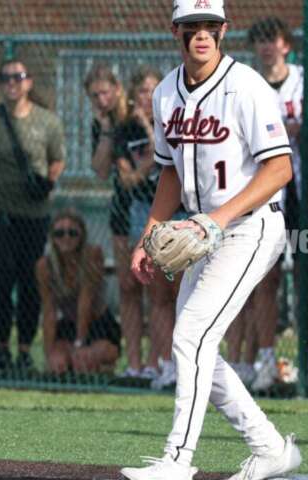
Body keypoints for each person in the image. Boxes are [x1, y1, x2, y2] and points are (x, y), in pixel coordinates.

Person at [120, 1, 300, 479]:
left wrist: (215, 220)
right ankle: (269, 447)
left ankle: (178, 461)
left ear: (223, 31)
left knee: (191, 336)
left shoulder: (246, 86)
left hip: (252, 226)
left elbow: (280, 168)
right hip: (204, 231)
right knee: (195, 345)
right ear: (175, 32)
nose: (201, 35)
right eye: (190, 27)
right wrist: (148, 235)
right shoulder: (165, 94)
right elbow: (169, 174)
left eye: (209, 27)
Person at [247, 16, 308, 391]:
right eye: (260, 39)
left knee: (307, 272)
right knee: (266, 274)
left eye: (271, 39)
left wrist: (301, 128)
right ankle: (265, 357)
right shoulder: (247, 83)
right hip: (267, 187)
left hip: (306, 186)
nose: (266, 46)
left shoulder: (307, 78)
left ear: (286, 45)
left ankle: (307, 359)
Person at [0, 58, 65, 375]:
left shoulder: (47, 122)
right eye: (6, 78)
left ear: (29, 82)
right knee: (1, 282)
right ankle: (2, 349)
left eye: (18, 77)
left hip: (33, 216)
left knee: (30, 283)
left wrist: (47, 182)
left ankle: (24, 351)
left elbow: (57, 159)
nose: (12, 83)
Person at [113, 66, 180, 389]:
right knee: (158, 294)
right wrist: (147, 159)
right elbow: (128, 180)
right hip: (144, 210)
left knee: (181, 291)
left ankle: (182, 364)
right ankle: (165, 363)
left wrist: (153, 140)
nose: (147, 98)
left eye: (153, 91)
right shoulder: (127, 131)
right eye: (141, 91)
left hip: (180, 211)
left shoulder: (175, 122)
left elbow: (170, 163)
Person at [84, 64, 144, 378]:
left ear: (118, 89)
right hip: (122, 209)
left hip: (150, 204)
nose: (101, 99)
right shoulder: (104, 124)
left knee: (162, 290)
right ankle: (135, 364)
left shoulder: (136, 116)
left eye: (105, 92)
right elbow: (100, 169)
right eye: (95, 95)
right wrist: (106, 130)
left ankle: (164, 363)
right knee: (127, 285)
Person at [38, 210, 121, 374]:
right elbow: (49, 310)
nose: (66, 238)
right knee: (57, 363)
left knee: (82, 364)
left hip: (98, 324)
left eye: (72, 233)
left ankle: (103, 365)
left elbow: (86, 301)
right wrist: (49, 353)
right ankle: (83, 362)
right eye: (59, 233)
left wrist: (79, 344)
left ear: (81, 236)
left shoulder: (92, 255)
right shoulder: (45, 266)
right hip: (68, 324)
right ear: (52, 238)